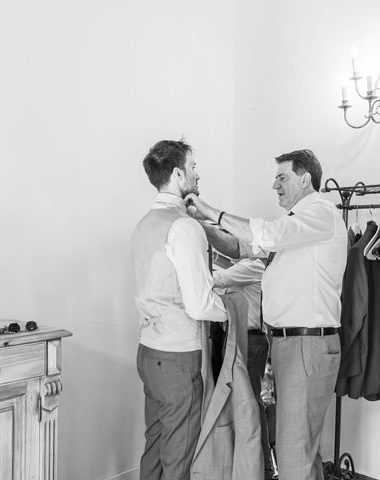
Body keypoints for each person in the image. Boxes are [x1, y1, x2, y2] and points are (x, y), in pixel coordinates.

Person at [186, 149, 347, 480]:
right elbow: (239, 247)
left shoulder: (320, 213)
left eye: (282, 177)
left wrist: (210, 211)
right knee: (302, 450)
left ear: (306, 179)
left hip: (307, 346)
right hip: (291, 346)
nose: (274, 185)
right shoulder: (297, 226)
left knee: (291, 453)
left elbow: (268, 235)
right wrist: (201, 225)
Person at [131, 139, 227, 480]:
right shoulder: (185, 227)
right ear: (177, 173)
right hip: (177, 356)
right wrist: (233, 309)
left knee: (155, 445)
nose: (197, 174)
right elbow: (200, 303)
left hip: (148, 351)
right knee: (179, 455)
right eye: (193, 167)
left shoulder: (143, 224)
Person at [211, 255, 278, 480]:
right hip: (248, 339)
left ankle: (264, 468)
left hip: (250, 341)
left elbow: (216, 279)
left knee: (250, 406)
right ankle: (260, 467)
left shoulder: (251, 266)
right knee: (250, 405)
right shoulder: (247, 267)